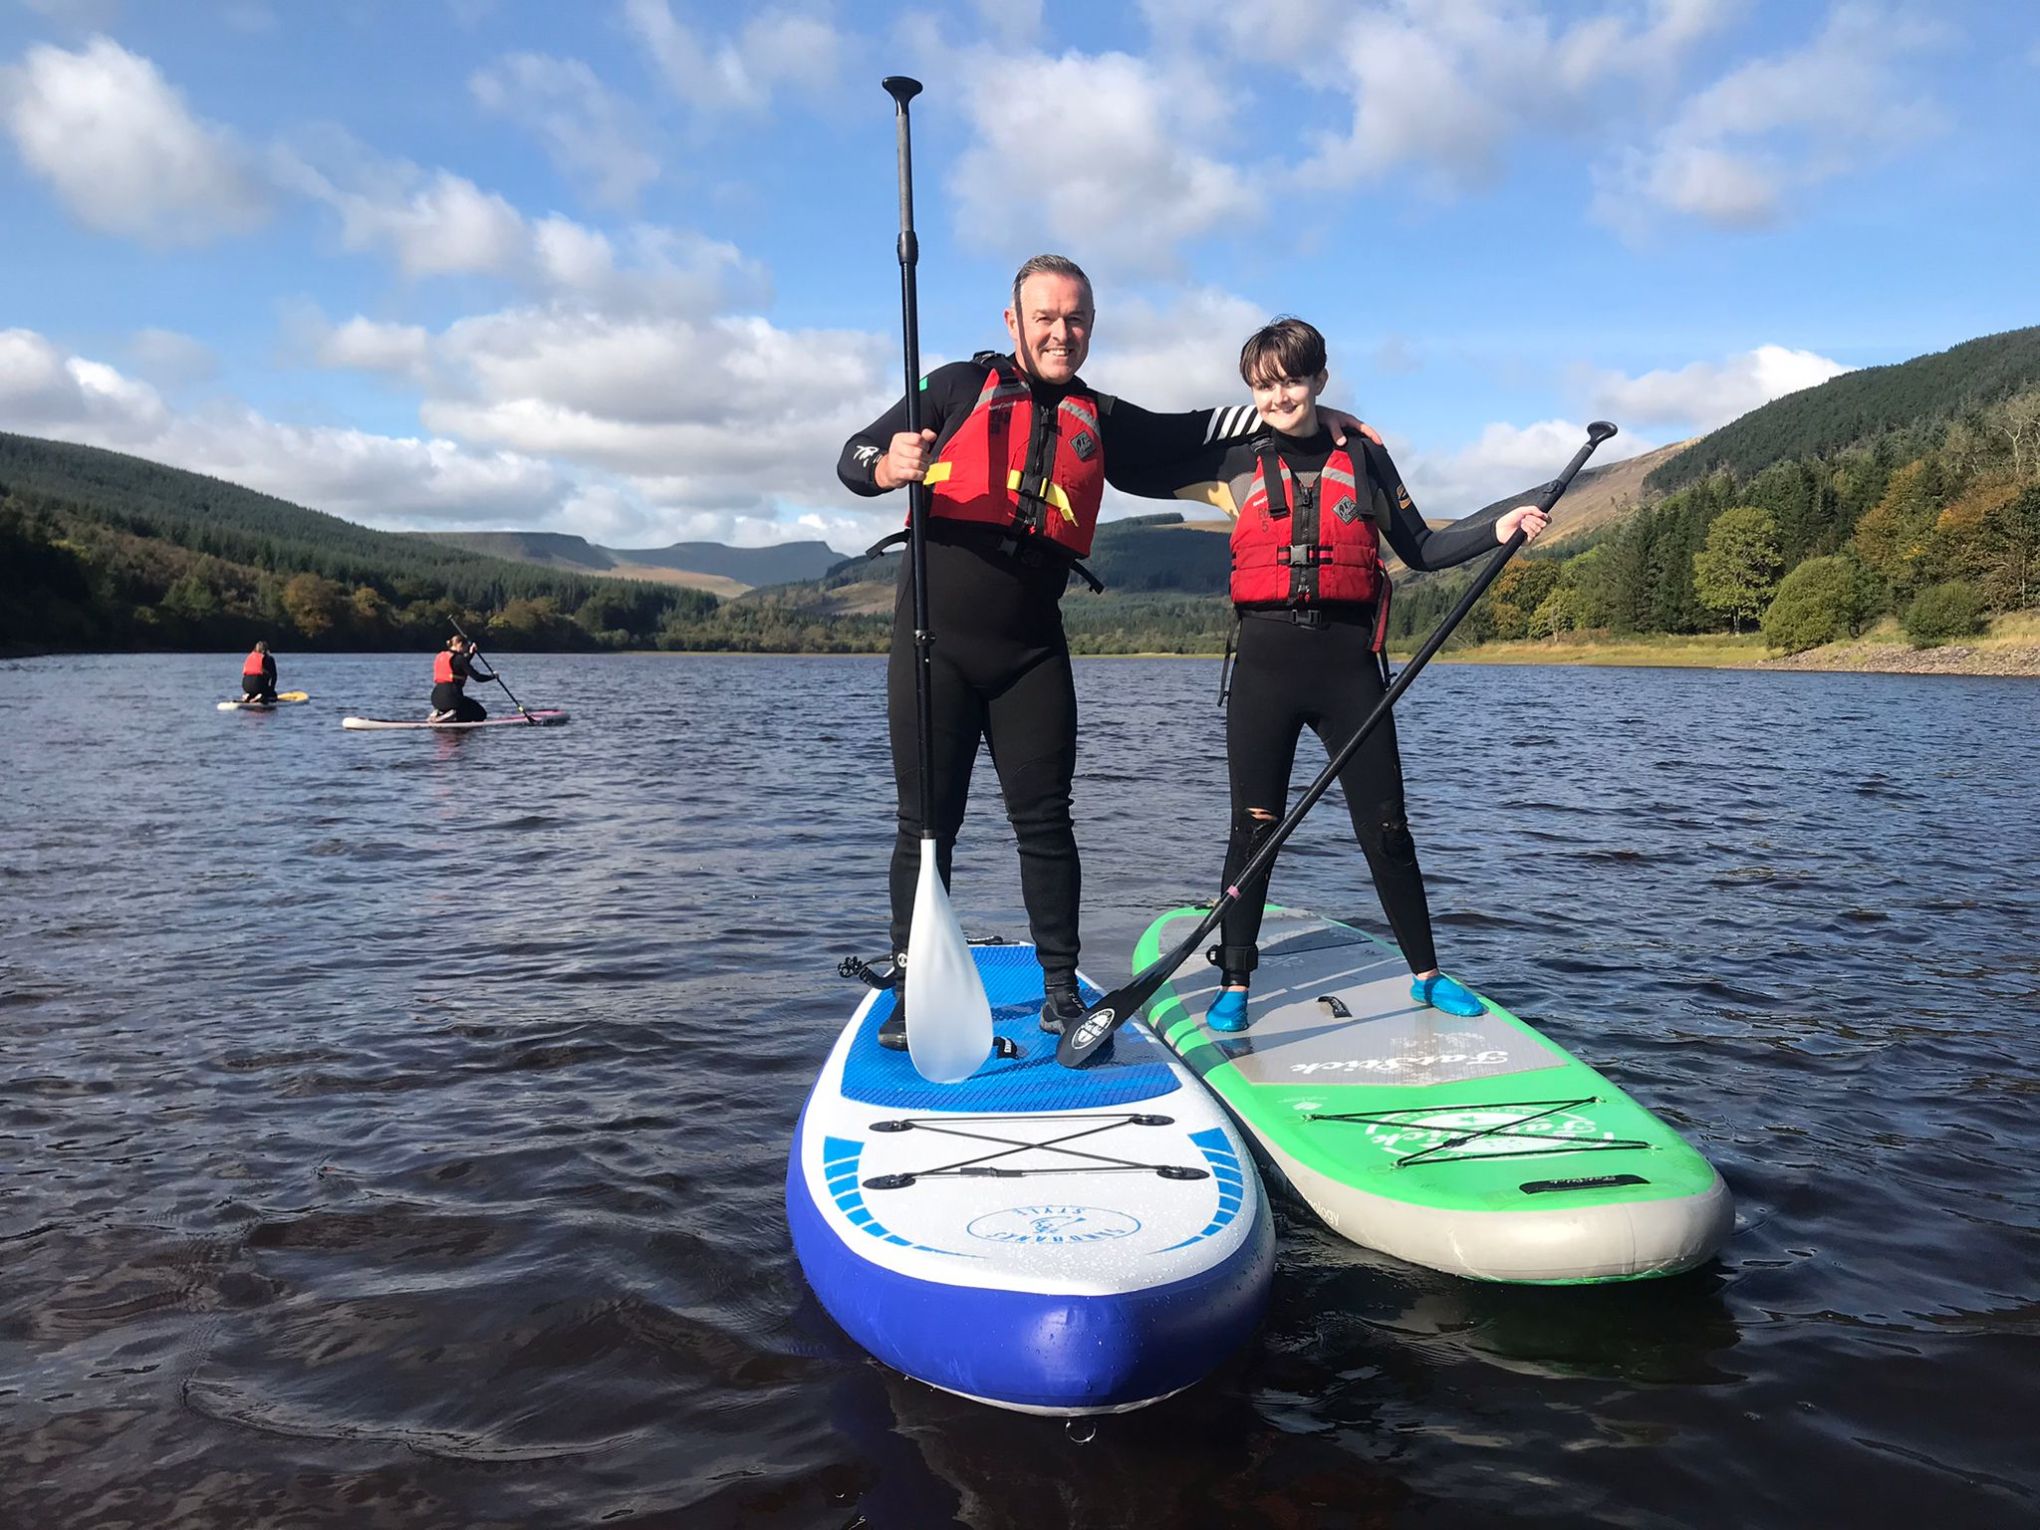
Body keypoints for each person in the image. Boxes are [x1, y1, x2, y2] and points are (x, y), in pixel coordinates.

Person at [837, 256, 1377, 1050]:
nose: (1062, 331)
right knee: (926, 825)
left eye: (1077, 318)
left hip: (1029, 654)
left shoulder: (1103, 416)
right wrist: (886, 467)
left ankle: (1060, 989)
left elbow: (1194, 431)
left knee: (1048, 822)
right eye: (1046, 317)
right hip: (932, 649)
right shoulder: (954, 388)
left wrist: (1309, 419)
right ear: (1013, 322)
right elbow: (852, 455)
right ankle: (915, 987)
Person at [1130, 316, 1549, 1030]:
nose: (1278, 396)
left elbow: (1420, 546)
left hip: (1349, 667)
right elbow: (1132, 463)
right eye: (1263, 385)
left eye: (1291, 380)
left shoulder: (1366, 457)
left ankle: (1425, 972)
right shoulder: (1232, 459)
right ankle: (1235, 983)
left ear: (1320, 378)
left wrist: (1497, 527)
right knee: (1253, 829)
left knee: (1388, 825)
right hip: (1265, 668)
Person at [429, 634, 491, 723]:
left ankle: (441, 713)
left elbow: (459, 665)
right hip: (452, 698)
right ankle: (453, 715)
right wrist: (493, 676)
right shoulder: (460, 659)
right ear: (460, 645)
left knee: (466, 708)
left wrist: (471, 653)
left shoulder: (441, 656)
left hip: (436, 699)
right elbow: (478, 677)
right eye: (466, 647)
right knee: (481, 714)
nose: (466, 649)